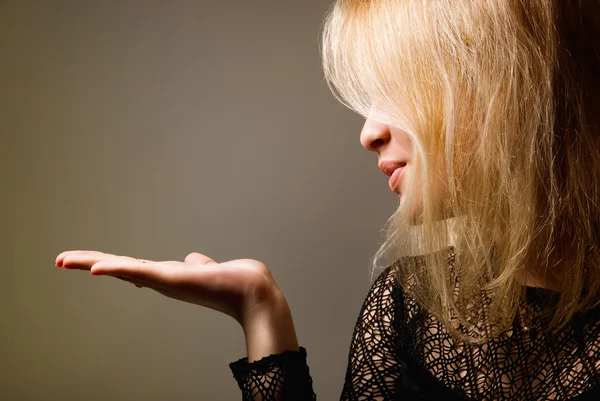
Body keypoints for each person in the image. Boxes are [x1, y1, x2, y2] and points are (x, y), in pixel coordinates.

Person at [55, 0, 600, 399]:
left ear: (508, 91)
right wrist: (259, 309)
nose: (369, 133)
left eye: (399, 91)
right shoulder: (409, 306)